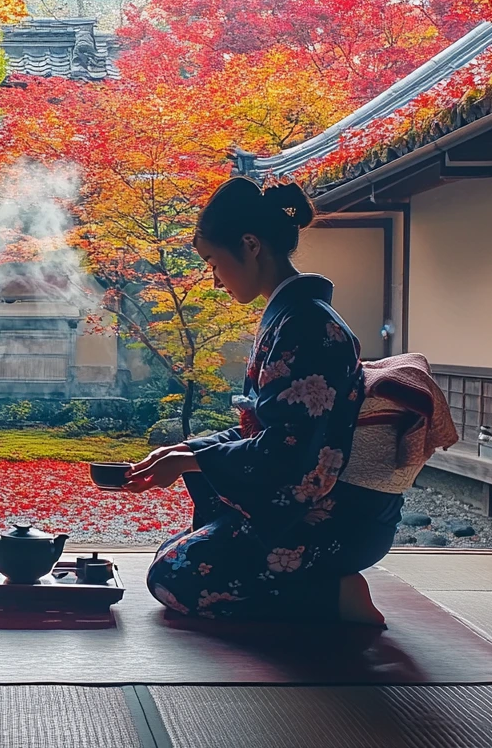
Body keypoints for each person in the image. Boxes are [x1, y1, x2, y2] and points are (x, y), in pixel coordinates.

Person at [124, 177, 401, 626]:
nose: (213, 280)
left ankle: (334, 593)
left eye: (212, 261)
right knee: (169, 555)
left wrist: (195, 462)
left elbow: (288, 450)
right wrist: (188, 452)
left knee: (174, 578)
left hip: (332, 519)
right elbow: (273, 428)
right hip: (308, 502)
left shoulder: (306, 326)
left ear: (250, 245)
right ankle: (310, 583)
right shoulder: (293, 318)